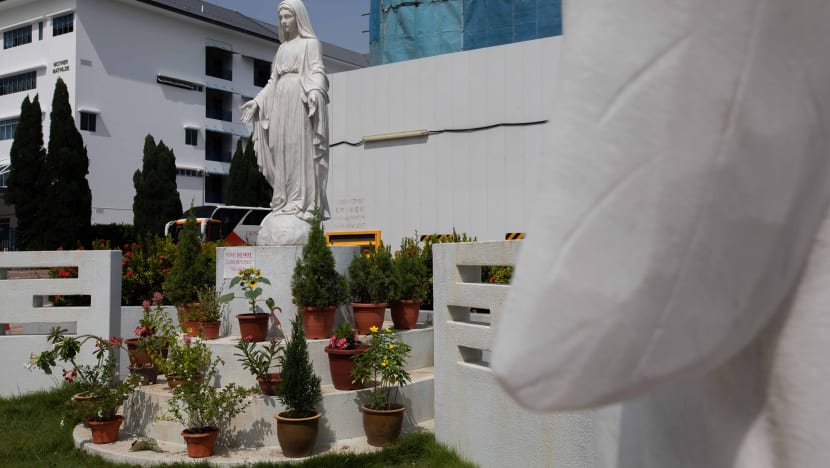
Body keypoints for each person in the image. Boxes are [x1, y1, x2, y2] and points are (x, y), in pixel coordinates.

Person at [241, 0, 329, 223]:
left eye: (287, 16)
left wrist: (315, 91)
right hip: (280, 102)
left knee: (299, 151)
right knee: (280, 150)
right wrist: (258, 102)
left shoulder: (311, 44)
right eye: (280, 17)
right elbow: (272, 81)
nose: (283, 21)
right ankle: (284, 199)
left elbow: (318, 71)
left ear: (298, 17)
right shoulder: (281, 49)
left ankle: (303, 202)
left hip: (299, 102)